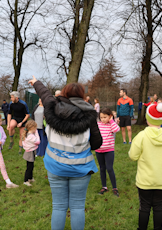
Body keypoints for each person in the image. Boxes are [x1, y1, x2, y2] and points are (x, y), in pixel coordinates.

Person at [29, 77, 101, 229]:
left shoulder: (51, 108)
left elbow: (45, 94)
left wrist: (36, 82)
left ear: (64, 93)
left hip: (56, 166)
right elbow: (97, 143)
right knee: (77, 207)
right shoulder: (89, 114)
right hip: (81, 167)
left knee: (59, 207)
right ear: (82, 95)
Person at [127, 102, 162, 230]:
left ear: (147, 118)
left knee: (144, 207)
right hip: (161, 179)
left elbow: (133, 156)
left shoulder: (141, 136)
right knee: (159, 206)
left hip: (144, 180)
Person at [95, 108, 120, 195]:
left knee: (109, 168)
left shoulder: (112, 125)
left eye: (105, 117)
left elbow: (116, 130)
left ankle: (114, 188)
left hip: (109, 150)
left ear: (110, 116)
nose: (103, 119)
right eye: (101, 117)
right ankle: (104, 187)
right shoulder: (98, 125)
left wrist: (112, 121)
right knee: (102, 168)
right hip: (99, 150)